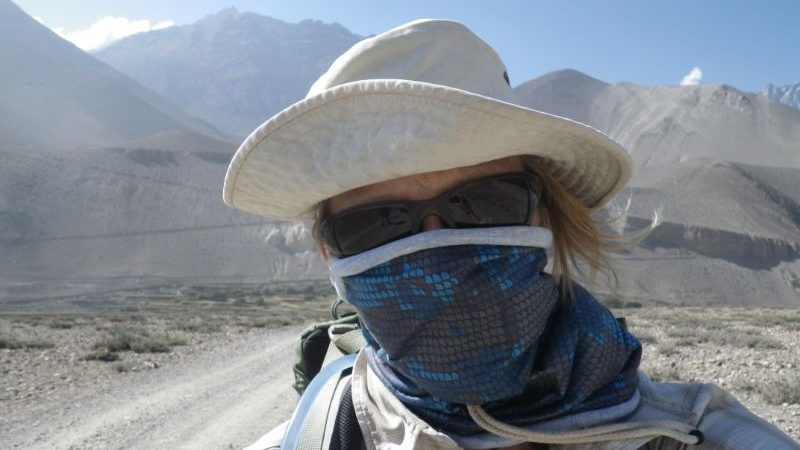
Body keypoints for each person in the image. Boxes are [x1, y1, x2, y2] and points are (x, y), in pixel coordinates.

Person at [223, 19, 799, 450]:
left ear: (547, 216)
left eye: (482, 203)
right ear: (330, 254)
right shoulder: (317, 438)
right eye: (377, 223)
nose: (433, 244)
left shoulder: (699, 436)